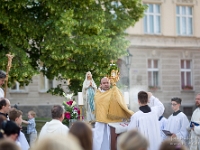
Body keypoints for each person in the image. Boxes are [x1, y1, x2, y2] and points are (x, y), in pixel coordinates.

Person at [93, 77, 133, 150]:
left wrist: (116, 90)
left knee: (109, 141)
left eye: (107, 83)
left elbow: (120, 101)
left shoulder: (113, 92)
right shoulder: (97, 94)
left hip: (110, 122)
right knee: (98, 141)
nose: (106, 84)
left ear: (109, 83)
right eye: (104, 83)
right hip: (100, 122)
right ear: (100, 85)